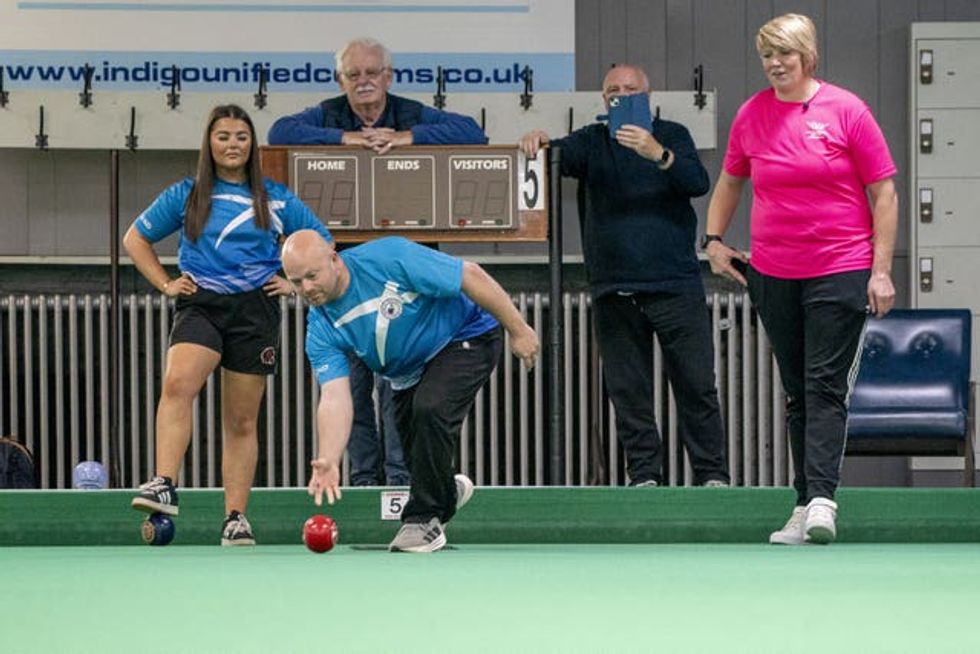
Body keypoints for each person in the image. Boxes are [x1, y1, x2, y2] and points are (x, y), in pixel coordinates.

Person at [704, 13, 898, 545]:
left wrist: (880, 271)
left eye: (784, 54)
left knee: (824, 387)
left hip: (841, 269)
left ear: (807, 57)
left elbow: (884, 194)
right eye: (767, 55)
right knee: (797, 393)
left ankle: (822, 501)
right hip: (773, 273)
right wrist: (713, 241)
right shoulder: (752, 115)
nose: (774, 64)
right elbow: (729, 182)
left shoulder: (847, 110)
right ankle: (802, 502)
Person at [268, 36, 488, 487]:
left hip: (402, 280)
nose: (364, 82)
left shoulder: (411, 112)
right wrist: (345, 139)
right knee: (350, 388)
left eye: (372, 73)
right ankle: (366, 481)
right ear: (340, 80)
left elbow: (471, 131)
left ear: (388, 76)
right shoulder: (326, 114)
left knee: (399, 391)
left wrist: (407, 138)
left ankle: (401, 481)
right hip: (340, 282)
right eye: (354, 75)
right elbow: (279, 133)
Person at [125, 104, 333, 546]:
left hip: (255, 311)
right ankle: (163, 482)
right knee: (178, 384)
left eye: (241, 136)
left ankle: (235, 517)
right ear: (210, 143)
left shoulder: (276, 197)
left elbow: (323, 242)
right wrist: (164, 283)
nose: (232, 144)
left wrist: (294, 283)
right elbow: (135, 238)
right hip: (200, 305)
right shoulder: (187, 193)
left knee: (240, 421)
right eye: (223, 136)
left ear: (251, 145)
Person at [519, 64, 730, 489]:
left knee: (696, 385)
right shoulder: (592, 140)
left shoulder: (673, 135)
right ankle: (644, 476)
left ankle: (713, 477)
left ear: (647, 96)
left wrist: (658, 154)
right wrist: (538, 141)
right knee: (629, 392)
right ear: (603, 100)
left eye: (630, 90)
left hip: (675, 284)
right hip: (614, 288)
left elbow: (697, 182)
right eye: (613, 91)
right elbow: (555, 156)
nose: (620, 96)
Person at [281, 230, 539, 552]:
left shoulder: (389, 258)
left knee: (430, 409)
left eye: (311, 276)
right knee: (415, 449)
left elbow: (469, 275)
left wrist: (519, 328)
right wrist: (330, 457)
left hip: (465, 334)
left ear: (334, 259)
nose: (306, 288)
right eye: (296, 281)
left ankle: (422, 520)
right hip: (406, 371)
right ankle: (444, 493)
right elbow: (334, 396)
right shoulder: (320, 327)